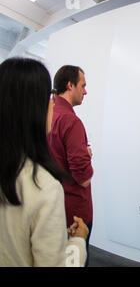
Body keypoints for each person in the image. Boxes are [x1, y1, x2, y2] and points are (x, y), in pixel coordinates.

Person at [0, 57, 89, 267]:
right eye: (49, 96)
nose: (52, 102)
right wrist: (78, 241)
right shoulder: (44, 188)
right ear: (32, 108)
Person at [47, 65, 94, 267]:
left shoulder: (50, 116)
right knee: (75, 260)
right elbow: (83, 178)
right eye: (82, 86)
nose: (85, 91)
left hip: (56, 208)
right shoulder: (71, 122)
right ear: (69, 85)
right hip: (76, 215)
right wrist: (87, 156)